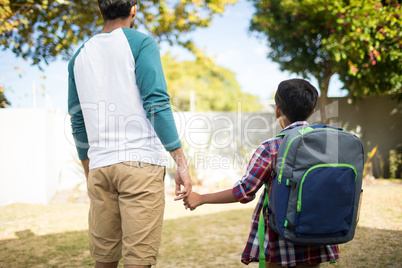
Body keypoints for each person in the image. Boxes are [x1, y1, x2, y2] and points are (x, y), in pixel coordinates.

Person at [68, 1, 192, 267]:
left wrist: (90, 172)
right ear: (133, 9)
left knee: (105, 259)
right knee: (138, 260)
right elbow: (156, 103)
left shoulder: (79, 56)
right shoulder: (141, 43)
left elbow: (78, 120)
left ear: (100, 11)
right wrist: (181, 161)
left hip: (100, 168)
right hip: (140, 165)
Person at [183, 79, 339, 267]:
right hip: (317, 233)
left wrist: (201, 198)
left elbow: (244, 192)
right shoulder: (328, 145)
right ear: (312, 112)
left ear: (277, 110)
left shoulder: (272, 148)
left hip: (281, 241)